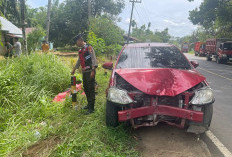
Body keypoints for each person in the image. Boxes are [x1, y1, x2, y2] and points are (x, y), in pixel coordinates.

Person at [71, 34, 98, 114]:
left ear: (80, 40)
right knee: (86, 88)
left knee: (91, 89)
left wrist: (93, 70)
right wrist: (74, 69)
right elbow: (79, 60)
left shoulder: (89, 47)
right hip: (84, 72)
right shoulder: (80, 50)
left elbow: (93, 58)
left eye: (76, 42)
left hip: (90, 71)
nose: (76, 44)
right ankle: (88, 104)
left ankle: (92, 108)